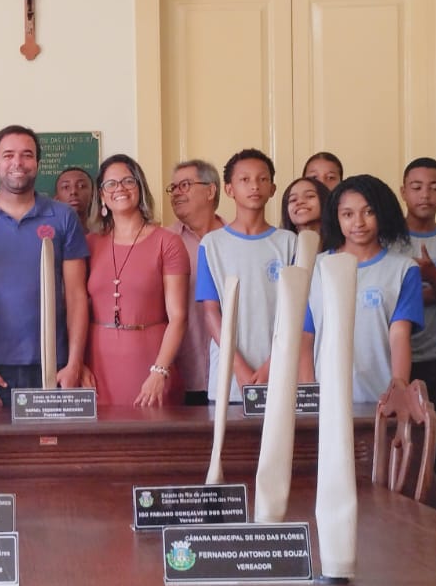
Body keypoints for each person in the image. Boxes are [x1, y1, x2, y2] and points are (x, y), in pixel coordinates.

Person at [0, 125, 91, 407]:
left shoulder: (63, 217)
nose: (18, 163)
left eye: (27, 155)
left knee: (51, 450)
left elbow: (75, 296)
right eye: (9, 155)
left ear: (37, 163)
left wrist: (74, 362)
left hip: (53, 364)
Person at [298, 175, 424, 405]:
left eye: (368, 212)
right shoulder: (314, 268)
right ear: (336, 218)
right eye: (348, 214)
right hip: (325, 401)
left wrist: (398, 391)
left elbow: (399, 336)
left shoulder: (404, 269)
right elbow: (306, 336)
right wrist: (310, 395)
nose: (358, 222)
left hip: (379, 399)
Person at [85, 154, 189, 406]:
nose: (119, 188)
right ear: (101, 195)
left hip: (150, 362)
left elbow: (179, 317)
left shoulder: (168, 242)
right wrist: (79, 364)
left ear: (140, 188)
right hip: (98, 365)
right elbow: (78, 310)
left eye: (128, 181)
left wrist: (159, 370)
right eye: (111, 184)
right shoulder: (89, 243)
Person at [195, 148, 296, 402]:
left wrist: (272, 365)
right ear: (229, 189)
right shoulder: (212, 244)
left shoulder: (289, 243)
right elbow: (211, 312)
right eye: (245, 179)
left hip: (279, 370)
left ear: (273, 189)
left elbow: (297, 313)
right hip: (229, 377)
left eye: (262, 179)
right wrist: (238, 367)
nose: (255, 186)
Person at [398, 157, 436, 416]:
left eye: (435, 187)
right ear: (403, 192)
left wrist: (432, 284)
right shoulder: (388, 242)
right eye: (416, 187)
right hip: (398, 359)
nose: (425, 195)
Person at [166, 159, 226, 405]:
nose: (177, 193)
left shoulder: (235, 240)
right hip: (180, 374)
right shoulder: (163, 242)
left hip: (234, 375)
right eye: (174, 188)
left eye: (185, 185)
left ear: (211, 191)